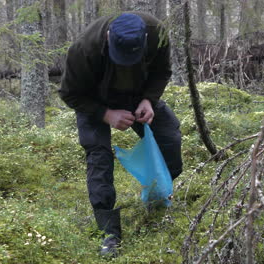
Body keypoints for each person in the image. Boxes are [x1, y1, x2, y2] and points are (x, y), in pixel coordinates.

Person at [58, 12, 183, 257]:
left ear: (145, 38)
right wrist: (105, 114)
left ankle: (158, 201)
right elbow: (69, 94)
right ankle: (109, 233)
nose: (126, 62)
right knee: (99, 156)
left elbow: (161, 71)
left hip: (136, 95)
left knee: (170, 137)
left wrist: (149, 99)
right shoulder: (83, 49)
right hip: (93, 101)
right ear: (108, 37)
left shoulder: (157, 33)